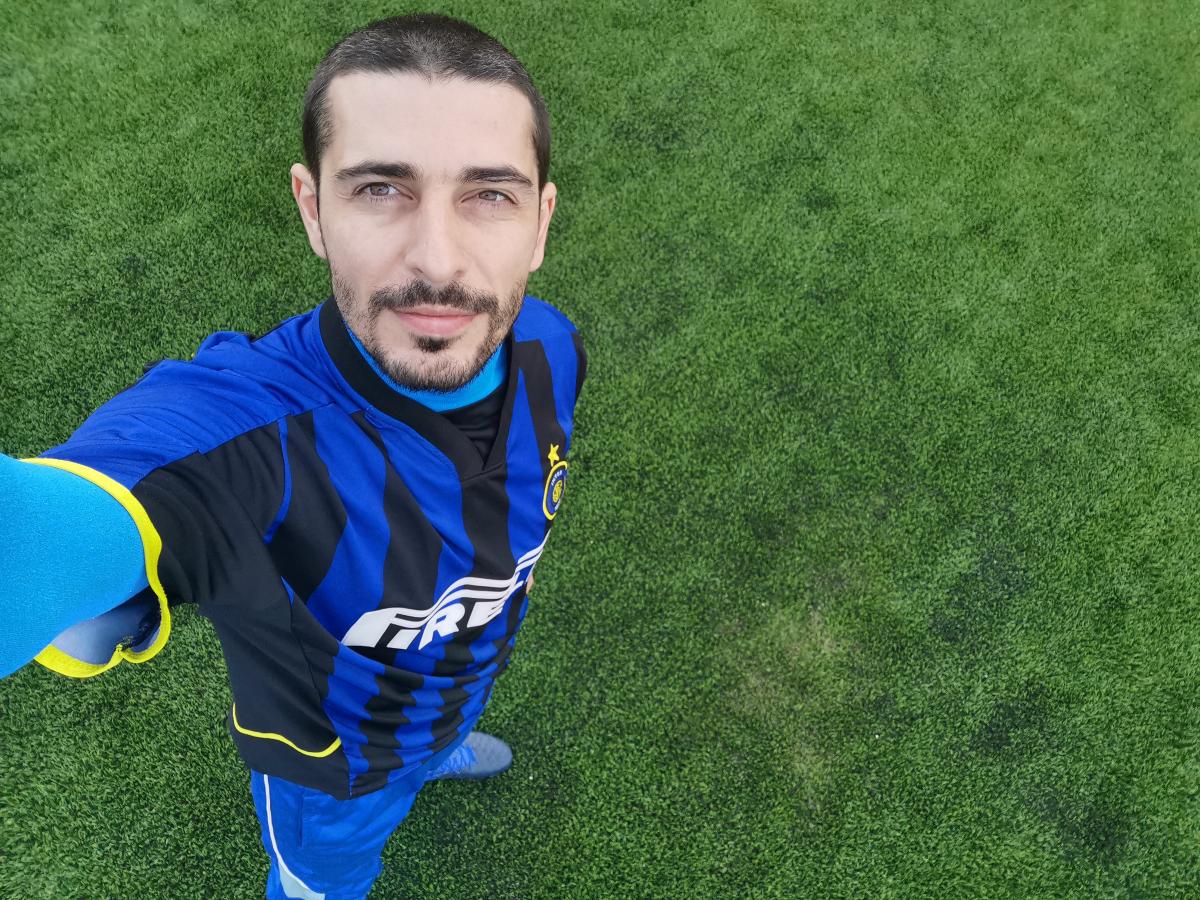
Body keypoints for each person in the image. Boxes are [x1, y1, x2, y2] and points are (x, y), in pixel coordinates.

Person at [0, 12, 586, 899]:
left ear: (540, 223)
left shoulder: (550, 345)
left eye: (489, 195)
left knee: (445, 702)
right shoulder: (238, 435)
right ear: (313, 209)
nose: (437, 259)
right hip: (331, 773)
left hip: (455, 688)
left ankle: (437, 749)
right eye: (380, 189)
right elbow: (56, 525)